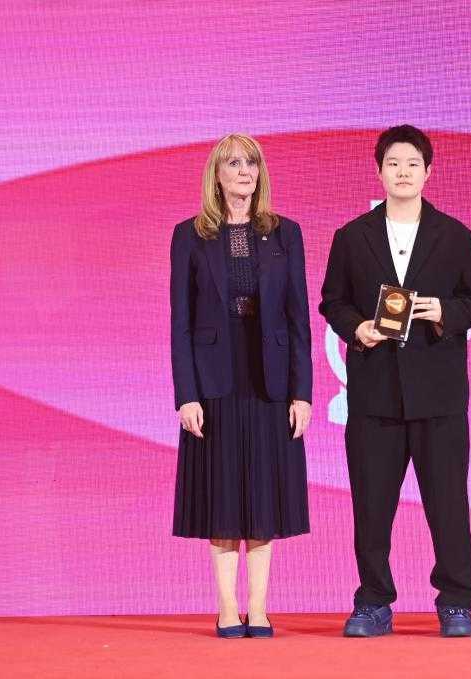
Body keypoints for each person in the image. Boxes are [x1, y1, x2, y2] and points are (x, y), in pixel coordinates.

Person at [319, 125, 471, 638]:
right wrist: (358, 328)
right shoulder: (352, 236)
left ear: (428, 172)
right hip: (374, 394)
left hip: (439, 394)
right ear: (379, 171)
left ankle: (456, 602)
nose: (403, 172)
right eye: (393, 163)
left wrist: (444, 312)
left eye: (413, 163)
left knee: (448, 506)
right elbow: (332, 301)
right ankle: (373, 601)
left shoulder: (454, 235)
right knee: (372, 508)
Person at [170, 133, 312, 639]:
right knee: (224, 493)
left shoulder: (285, 233)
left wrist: (302, 392)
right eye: (233, 163)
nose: (244, 171)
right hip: (214, 379)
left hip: (269, 375)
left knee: (263, 494)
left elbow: (299, 319)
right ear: (217, 174)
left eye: (251, 163)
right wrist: (186, 394)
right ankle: (227, 606)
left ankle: (259, 607)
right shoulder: (190, 235)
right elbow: (180, 322)